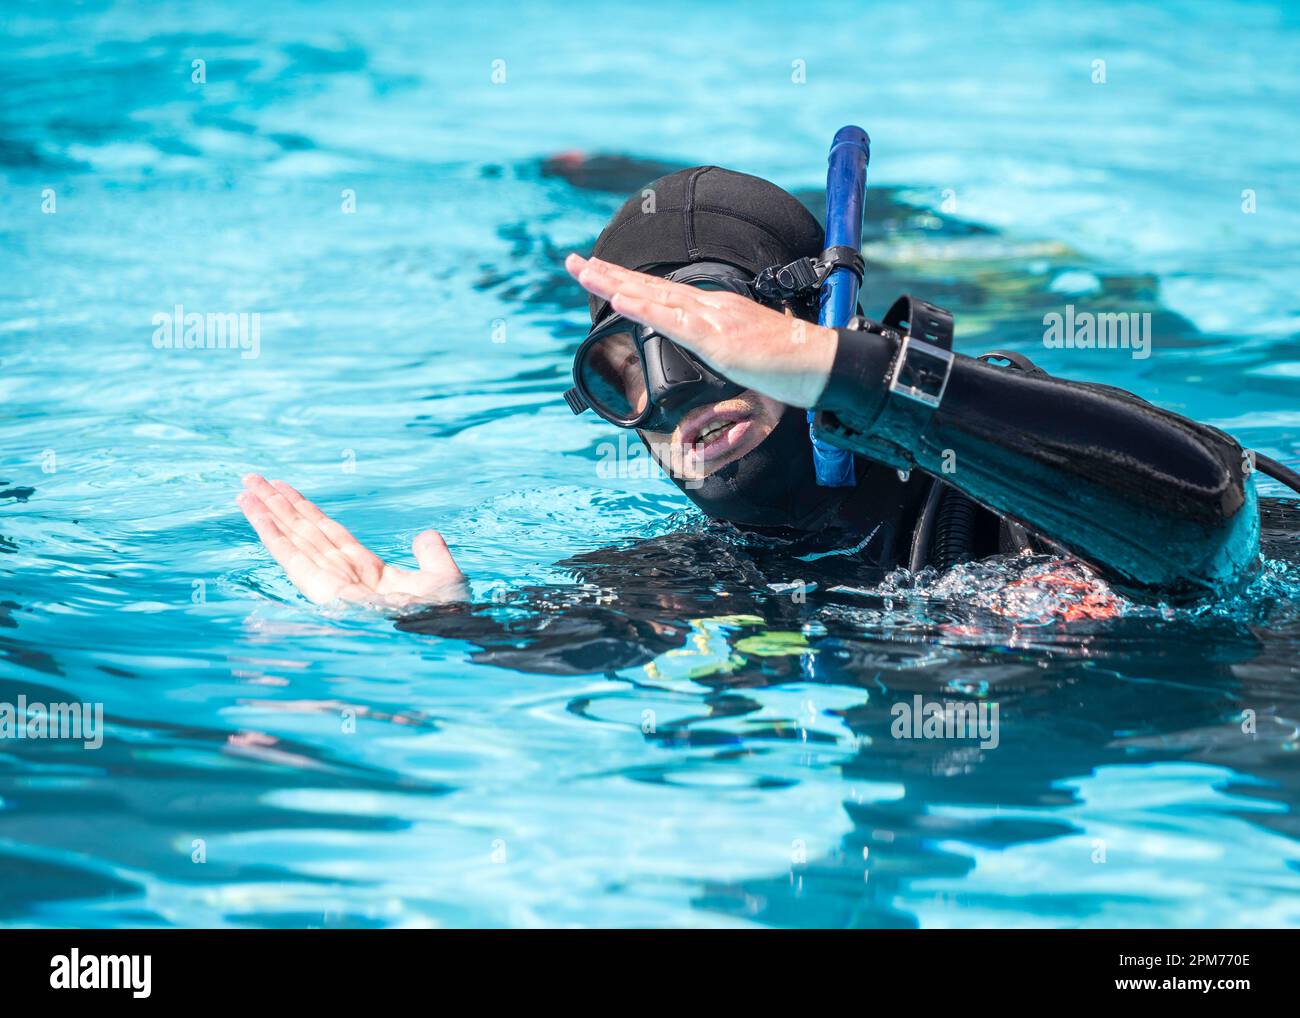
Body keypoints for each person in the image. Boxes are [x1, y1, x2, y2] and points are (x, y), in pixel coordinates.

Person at [237, 165, 1287, 623]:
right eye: (623, 371)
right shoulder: (699, 573)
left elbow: (1208, 517)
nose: (674, 394)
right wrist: (434, 626)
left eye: (713, 339)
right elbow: (564, 647)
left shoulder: (994, 463)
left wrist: (852, 380)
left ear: (813, 327)